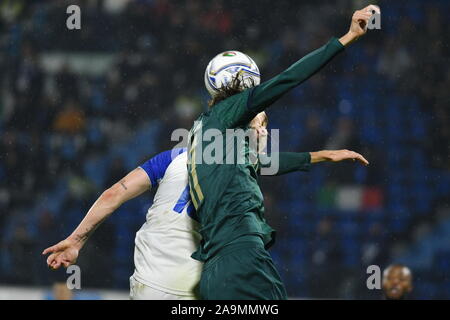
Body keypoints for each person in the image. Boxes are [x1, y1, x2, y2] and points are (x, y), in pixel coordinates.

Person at [42, 110, 367, 299]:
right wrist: (323, 156)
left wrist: (77, 239)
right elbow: (263, 162)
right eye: (260, 124)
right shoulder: (237, 171)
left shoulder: (171, 158)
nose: (265, 131)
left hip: (149, 283)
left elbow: (113, 194)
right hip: (196, 287)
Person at [187, 5, 378, 299]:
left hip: (215, 268)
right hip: (242, 258)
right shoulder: (230, 112)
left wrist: (321, 156)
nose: (263, 130)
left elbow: (262, 162)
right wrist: (348, 37)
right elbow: (289, 79)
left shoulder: (203, 132)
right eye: (259, 121)